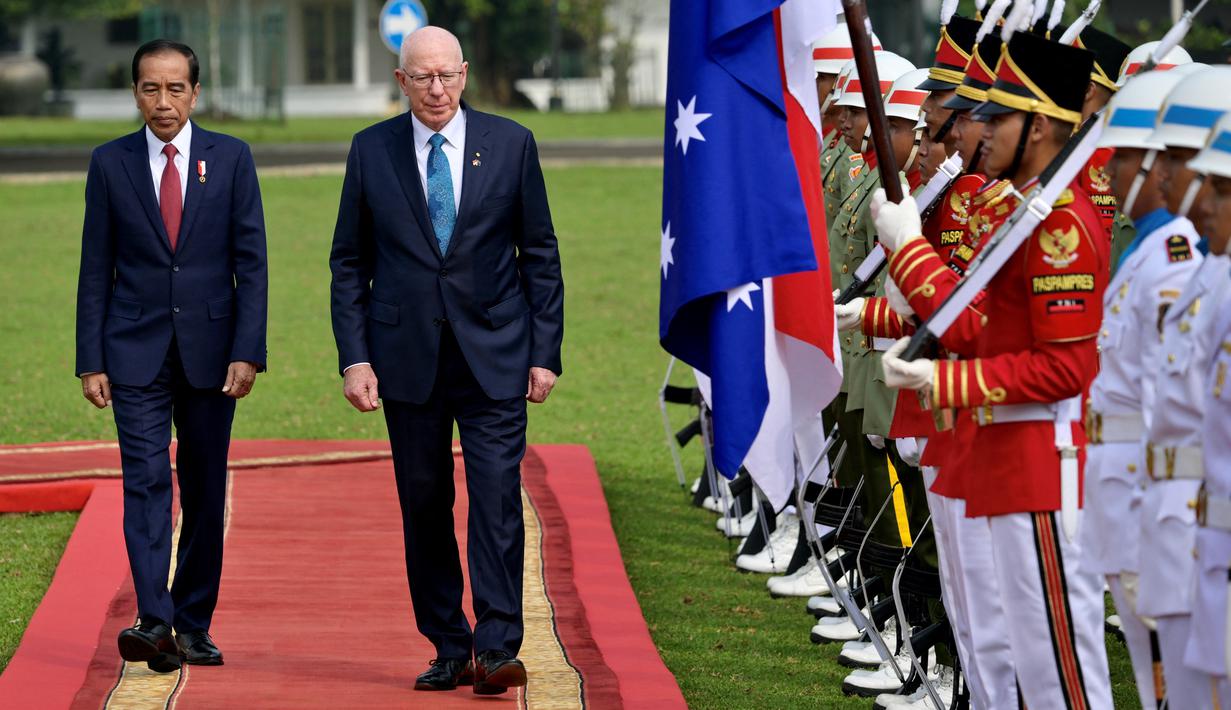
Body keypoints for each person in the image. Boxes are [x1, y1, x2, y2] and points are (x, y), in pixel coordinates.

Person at [877, 29, 1114, 708]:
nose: (976, 129)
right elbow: (983, 320)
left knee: (1056, 674)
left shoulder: (1058, 222)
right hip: (1006, 456)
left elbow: (1063, 369)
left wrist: (941, 380)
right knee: (1009, 655)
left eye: (996, 115)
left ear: (1038, 125)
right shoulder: (1026, 212)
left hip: (1038, 462)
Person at [328, 26, 564, 695]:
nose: (437, 90)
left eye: (447, 76)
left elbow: (539, 255)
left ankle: (495, 648)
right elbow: (349, 263)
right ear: (399, 81)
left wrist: (544, 352)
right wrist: (354, 359)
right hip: (405, 359)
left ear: (464, 74)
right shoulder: (370, 150)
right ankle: (448, 645)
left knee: (494, 501)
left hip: (495, 355)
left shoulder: (511, 143)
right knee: (424, 504)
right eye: (422, 78)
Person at [74, 39, 268, 672]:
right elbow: (94, 267)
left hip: (214, 356)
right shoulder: (110, 164)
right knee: (146, 482)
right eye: (150, 89)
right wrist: (90, 358)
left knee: (205, 487)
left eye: (175, 88)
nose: (163, 101)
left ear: (196, 92)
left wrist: (248, 351)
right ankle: (153, 617)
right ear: (135, 93)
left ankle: (193, 623)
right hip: (133, 354)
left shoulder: (232, 159)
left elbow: (252, 264)